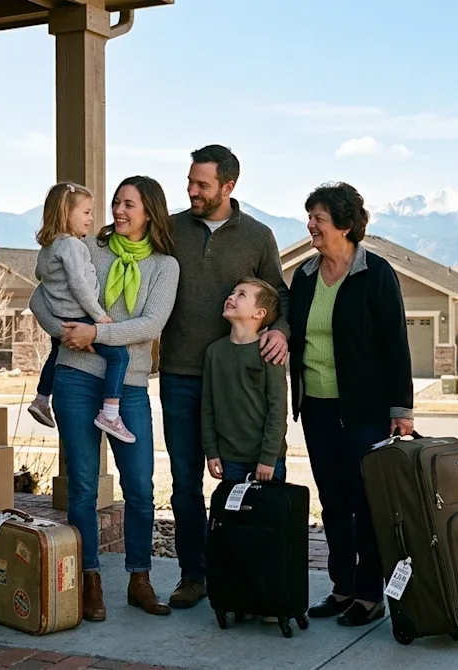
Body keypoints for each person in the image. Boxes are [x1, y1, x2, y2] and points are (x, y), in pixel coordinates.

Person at [28, 175, 180, 622]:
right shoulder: (87, 248)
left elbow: (150, 325)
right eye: (115, 202)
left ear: (149, 211)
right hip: (75, 380)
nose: (118, 211)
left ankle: (139, 579)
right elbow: (39, 300)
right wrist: (68, 335)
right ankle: (87, 581)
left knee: (140, 488)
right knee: (82, 487)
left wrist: (96, 333)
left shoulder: (163, 267)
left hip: (128, 386)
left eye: (129, 205)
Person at [160, 144, 290, 609]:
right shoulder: (170, 228)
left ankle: (238, 573)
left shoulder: (257, 236)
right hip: (178, 375)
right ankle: (193, 575)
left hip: (236, 380)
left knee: (237, 481)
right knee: (183, 483)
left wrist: (280, 332)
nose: (192, 191)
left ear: (228, 187)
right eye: (190, 182)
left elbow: (281, 298)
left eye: (202, 185)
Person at [287, 182, 414, 627]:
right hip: (317, 407)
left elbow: (395, 343)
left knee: (366, 502)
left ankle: (368, 593)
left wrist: (401, 409)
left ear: (344, 224)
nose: (311, 226)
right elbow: (289, 325)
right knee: (333, 501)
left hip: (365, 410)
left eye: (318, 219)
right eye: (310, 218)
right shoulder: (303, 277)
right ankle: (341, 588)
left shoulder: (374, 272)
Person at [28, 181, 135, 443]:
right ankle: (110, 413)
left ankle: (42, 398)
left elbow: (39, 274)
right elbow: (79, 285)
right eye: (86, 212)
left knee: (56, 353)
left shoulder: (48, 247)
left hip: (59, 314)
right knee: (119, 357)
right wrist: (99, 317)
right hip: (79, 315)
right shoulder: (73, 246)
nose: (91, 219)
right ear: (67, 213)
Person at [202, 278, 288, 484]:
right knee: (233, 516)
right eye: (232, 292)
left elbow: (277, 408)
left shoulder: (269, 351)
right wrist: (211, 451)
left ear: (259, 313)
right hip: (229, 460)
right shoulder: (214, 353)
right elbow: (207, 407)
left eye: (241, 295)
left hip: (267, 460)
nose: (231, 297)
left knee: (267, 516)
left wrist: (268, 458)